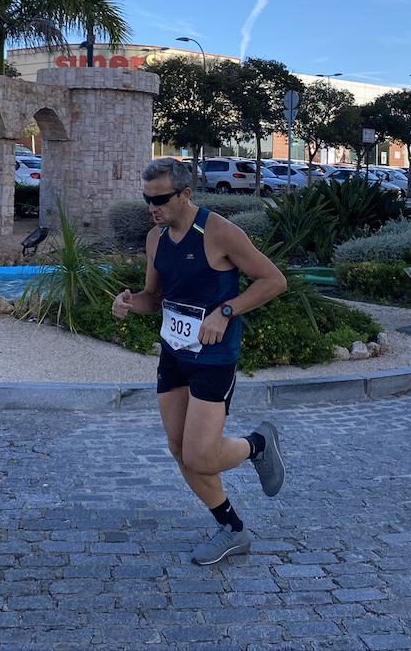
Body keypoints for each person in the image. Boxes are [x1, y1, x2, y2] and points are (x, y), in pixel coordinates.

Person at [111, 158, 288, 565]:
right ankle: (232, 528)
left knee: (200, 457)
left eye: (160, 199)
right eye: (146, 199)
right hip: (174, 354)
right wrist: (128, 303)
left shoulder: (220, 232)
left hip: (214, 359)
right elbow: (153, 299)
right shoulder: (155, 239)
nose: (151, 208)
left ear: (185, 194)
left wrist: (225, 312)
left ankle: (257, 445)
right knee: (179, 449)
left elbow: (274, 280)